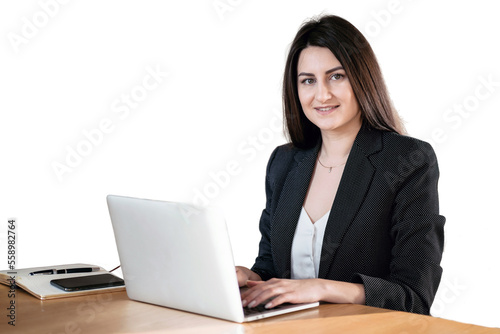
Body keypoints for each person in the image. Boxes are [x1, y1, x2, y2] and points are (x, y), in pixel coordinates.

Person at [236, 14, 445, 315]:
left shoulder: (408, 161)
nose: (322, 94)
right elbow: (271, 268)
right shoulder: (284, 162)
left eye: (336, 76)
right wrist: (249, 278)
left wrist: (322, 287)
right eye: (308, 80)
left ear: (362, 78)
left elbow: (414, 295)